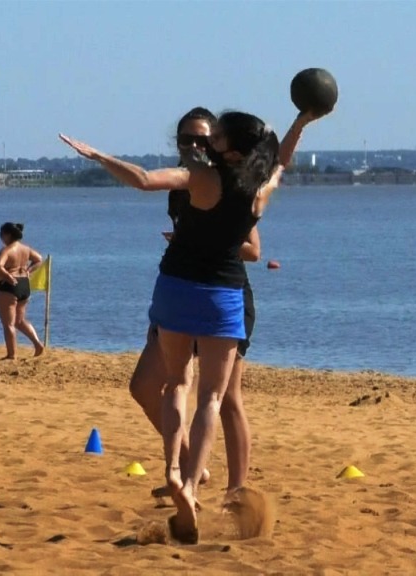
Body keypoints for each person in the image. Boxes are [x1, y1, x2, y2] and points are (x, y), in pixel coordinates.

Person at [60, 108, 321, 543]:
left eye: (215, 136)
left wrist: (101, 156)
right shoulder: (260, 189)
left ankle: (174, 472)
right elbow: (282, 160)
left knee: (177, 384)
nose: (207, 142)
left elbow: (143, 179)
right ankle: (193, 484)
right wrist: (301, 122)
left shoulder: (201, 177)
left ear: (230, 149)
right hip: (221, 297)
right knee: (212, 398)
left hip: (176, 289)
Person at [128, 108, 260, 501]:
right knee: (145, 386)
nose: (195, 147)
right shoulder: (178, 186)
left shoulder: (231, 184)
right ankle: (192, 470)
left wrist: (203, 242)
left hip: (224, 296)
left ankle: (237, 491)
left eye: (204, 140)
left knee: (226, 398)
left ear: (217, 145)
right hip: (182, 293)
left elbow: (253, 250)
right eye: (187, 140)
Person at [0, 222, 45, 360]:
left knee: (9, 323)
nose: (0, 237)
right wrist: (28, 271)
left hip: (9, 286)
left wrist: (8, 276)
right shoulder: (25, 249)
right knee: (19, 321)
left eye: (1, 234)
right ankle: (38, 345)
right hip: (23, 285)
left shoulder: (7, 250)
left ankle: (12, 355)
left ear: (8, 235)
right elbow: (39, 259)